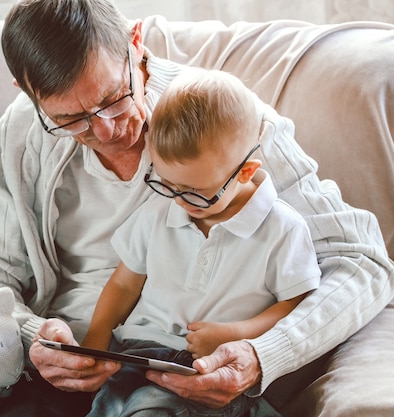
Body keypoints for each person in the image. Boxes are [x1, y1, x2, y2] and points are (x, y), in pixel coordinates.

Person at [0, 0, 393, 415]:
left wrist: (260, 353)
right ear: (27, 92)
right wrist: (30, 336)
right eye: (71, 120)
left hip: (188, 367)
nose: (106, 131)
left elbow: (363, 262)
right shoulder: (20, 136)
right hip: (70, 370)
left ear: (137, 45)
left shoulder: (226, 124)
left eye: (113, 99)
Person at [81, 68, 321, 417]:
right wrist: (97, 335)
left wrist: (235, 333)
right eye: (169, 184)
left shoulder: (282, 229)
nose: (179, 200)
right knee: (107, 407)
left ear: (245, 172)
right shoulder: (159, 210)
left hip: (209, 368)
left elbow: (296, 304)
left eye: (196, 192)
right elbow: (123, 282)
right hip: (137, 353)